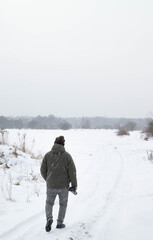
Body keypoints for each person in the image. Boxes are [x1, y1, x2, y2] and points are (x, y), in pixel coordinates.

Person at [40, 136, 77, 232]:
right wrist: (74, 185)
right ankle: (60, 223)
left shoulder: (47, 155)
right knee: (63, 204)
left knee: (49, 203)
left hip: (51, 185)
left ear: (54, 143)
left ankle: (49, 218)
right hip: (63, 186)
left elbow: (42, 170)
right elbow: (72, 172)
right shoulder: (67, 156)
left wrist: (48, 179)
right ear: (63, 144)